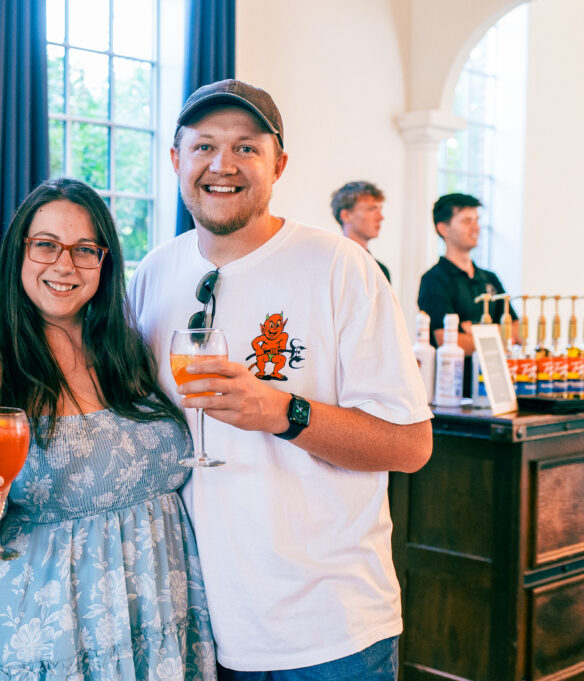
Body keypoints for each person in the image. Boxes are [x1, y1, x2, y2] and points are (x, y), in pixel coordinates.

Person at [128, 79, 433, 678]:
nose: (223, 165)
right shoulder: (155, 272)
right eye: (204, 146)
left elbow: (411, 445)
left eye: (246, 148)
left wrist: (284, 413)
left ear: (279, 165)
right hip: (197, 629)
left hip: (329, 633)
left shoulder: (341, 267)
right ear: (175, 161)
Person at [0, 178, 217, 680]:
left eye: (84, 249)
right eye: (45, 245)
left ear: (104, 261)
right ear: (20, 254)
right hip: (47, 640)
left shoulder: (129, 352)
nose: (64, 264)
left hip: (152, 620)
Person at [417, 193, 520, 394]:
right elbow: (448, 341)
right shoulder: (434, 280)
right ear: (443, 228)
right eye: (466, 221)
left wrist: (472, 330)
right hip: (453, 393)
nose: (476, 228)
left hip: (494, 389)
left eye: (476, 220)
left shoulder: (490, 278)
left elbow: (516, 332)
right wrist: (497, 332)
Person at [331, 180, 391, 282]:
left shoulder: (380, 270)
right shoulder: (330, 265)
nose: (380, 217)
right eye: (372, 209)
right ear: (345, 215)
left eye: (380, 210)